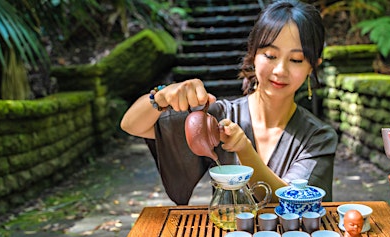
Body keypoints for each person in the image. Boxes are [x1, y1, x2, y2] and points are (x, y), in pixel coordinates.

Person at [120, 0, 338, 205]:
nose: (280, 70)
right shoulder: (219, 116)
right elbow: (132, 125)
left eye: (296, 60)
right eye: (270, 55)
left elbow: (294, 202)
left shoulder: (318, 137)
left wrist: (244, 149)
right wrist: (161, 96)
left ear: (313, 66)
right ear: (253, 55)